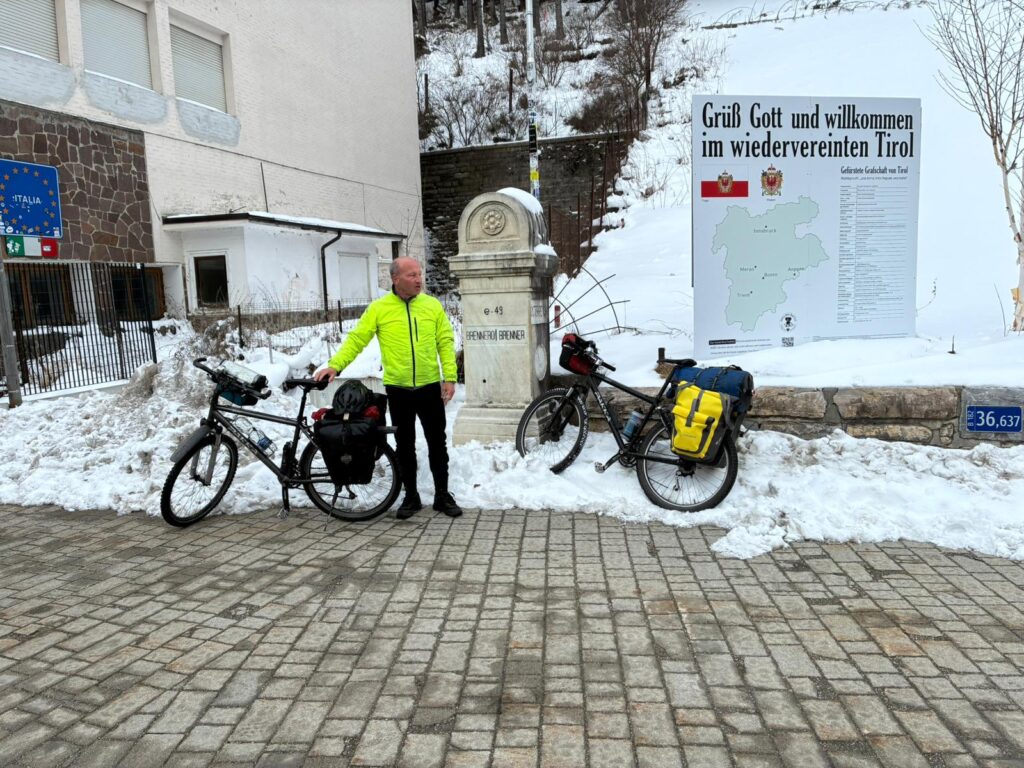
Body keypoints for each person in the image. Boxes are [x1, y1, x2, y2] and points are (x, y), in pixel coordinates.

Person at [314, 257, 462, 519]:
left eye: (419, 274)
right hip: (398, 388)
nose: (419, 280)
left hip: (429, 387)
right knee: (405, 445)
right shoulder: (380, 309)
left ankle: (442, 495)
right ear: (395, 279)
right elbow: (357, 339)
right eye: (412, 275)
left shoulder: (431, 306)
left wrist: (449, 378)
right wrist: (335, 366)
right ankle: (411, 496)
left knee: (437, 443)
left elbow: (445, 341)